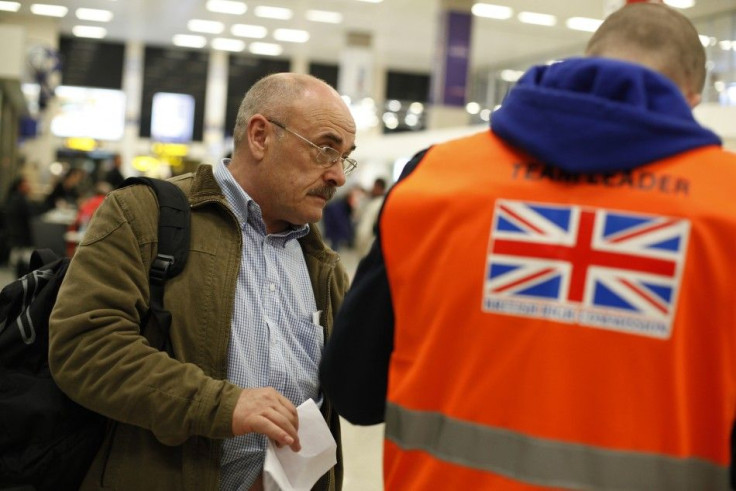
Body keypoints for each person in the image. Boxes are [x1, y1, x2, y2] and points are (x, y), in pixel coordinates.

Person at [320, 4, 736, 489]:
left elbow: (354, 390)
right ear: (692, 97)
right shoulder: (723, 204)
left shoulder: (434, 179)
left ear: (587, 62)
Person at [49, 73, 357, 490]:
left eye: (345, 158)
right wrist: (223, 405)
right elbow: (84, 347)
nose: (338, 175)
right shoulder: (143, 215)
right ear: (261, 136)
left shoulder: (321, 264)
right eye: (325, 150)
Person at [3, 176, 37, 277]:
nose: (29, 186)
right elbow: (32, 214)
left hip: (15, 235)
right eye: (26, 184)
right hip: (22, 237)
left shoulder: (12, 198)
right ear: (20, 186)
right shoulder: (20, 200)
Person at [353, 177, 387, 257]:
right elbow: (357, 214)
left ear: (381, 188)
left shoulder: (382, 204)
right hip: (362, 240)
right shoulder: (370, 201)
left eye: (375, 187)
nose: (373, 189)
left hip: (371, 242)